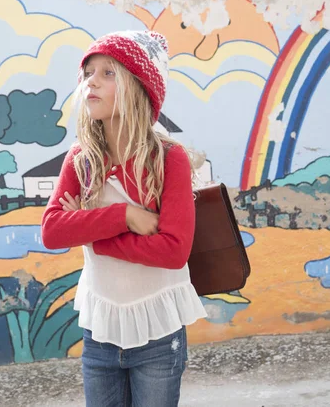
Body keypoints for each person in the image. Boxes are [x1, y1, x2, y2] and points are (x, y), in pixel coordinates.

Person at [41, 30, 207, 407]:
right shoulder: (81, 160)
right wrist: (124, 215)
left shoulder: (168, 159)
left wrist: (87, 229)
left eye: (107, 73)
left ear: (137, 87)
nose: (91, 82)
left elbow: (172, 251)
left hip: (158, 336)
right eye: (87, 74)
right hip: (100, 333)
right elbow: (52, 231)